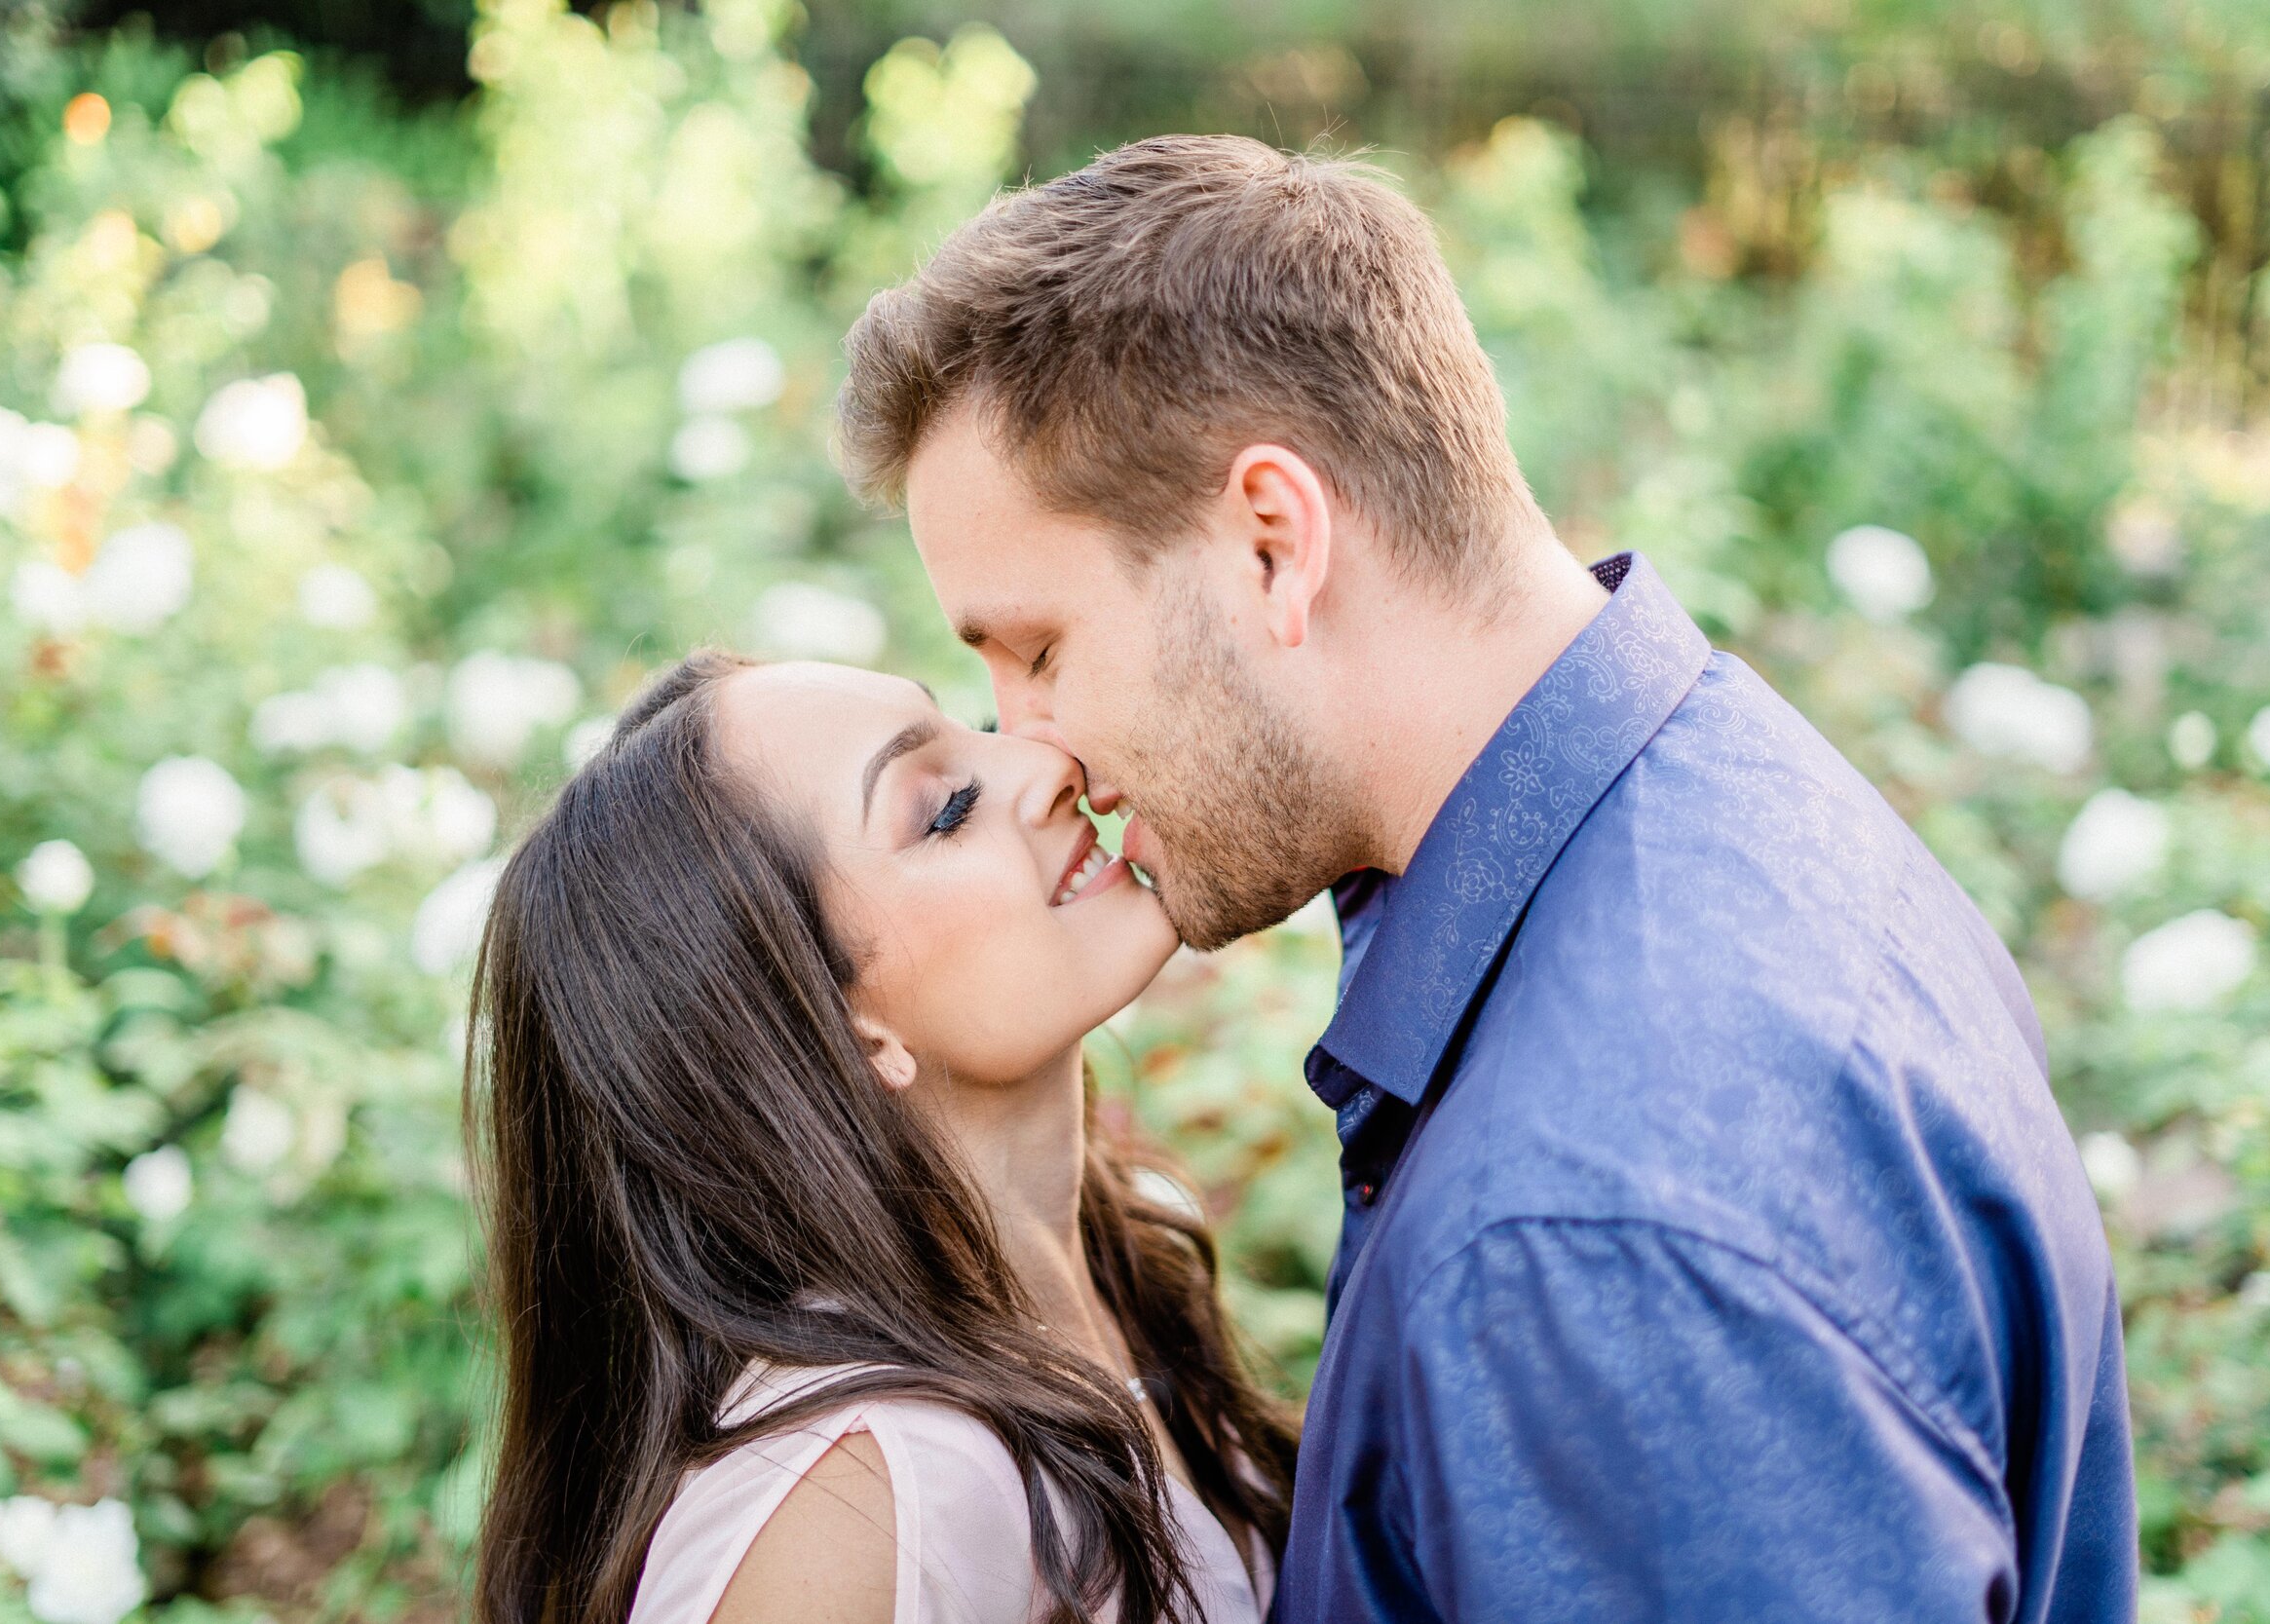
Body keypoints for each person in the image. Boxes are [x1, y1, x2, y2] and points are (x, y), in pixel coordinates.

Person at [841, 134, 2138, 1621]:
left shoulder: (1595, 1224)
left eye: (1041, 650)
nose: (1036, 750)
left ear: (1273, 541)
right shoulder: (1717, 801)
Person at [466, 651, 1296, 1624]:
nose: (1046, 763)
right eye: (942, 808)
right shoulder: (865, 1498)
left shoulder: (1114, 1273)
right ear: (843, 1028)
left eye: (975, 726)